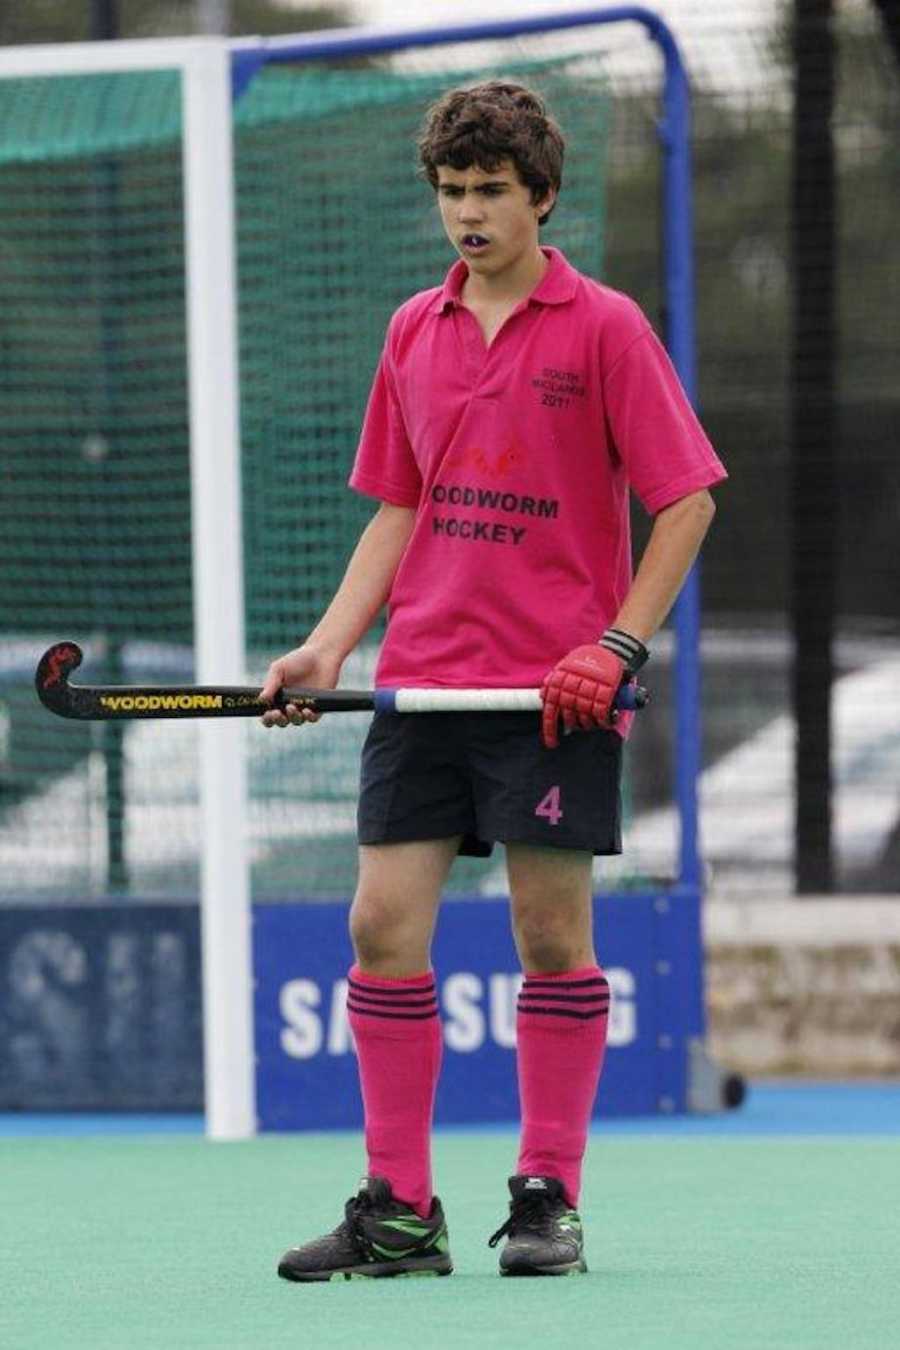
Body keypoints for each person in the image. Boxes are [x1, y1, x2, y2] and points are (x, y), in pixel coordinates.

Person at [262, 80, 726, 1281]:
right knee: (381, 926)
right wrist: (329, 648)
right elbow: (396, 509)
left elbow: (686, 504)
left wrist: (615, 646)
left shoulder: (606, 327)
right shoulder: (413, 329)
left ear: (542, 199)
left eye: (490, 193)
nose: (468, 214)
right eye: (452, 193)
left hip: (552, 696)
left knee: (549, 935)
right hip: (423, 679)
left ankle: (546, 1201)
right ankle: (402, 1214)